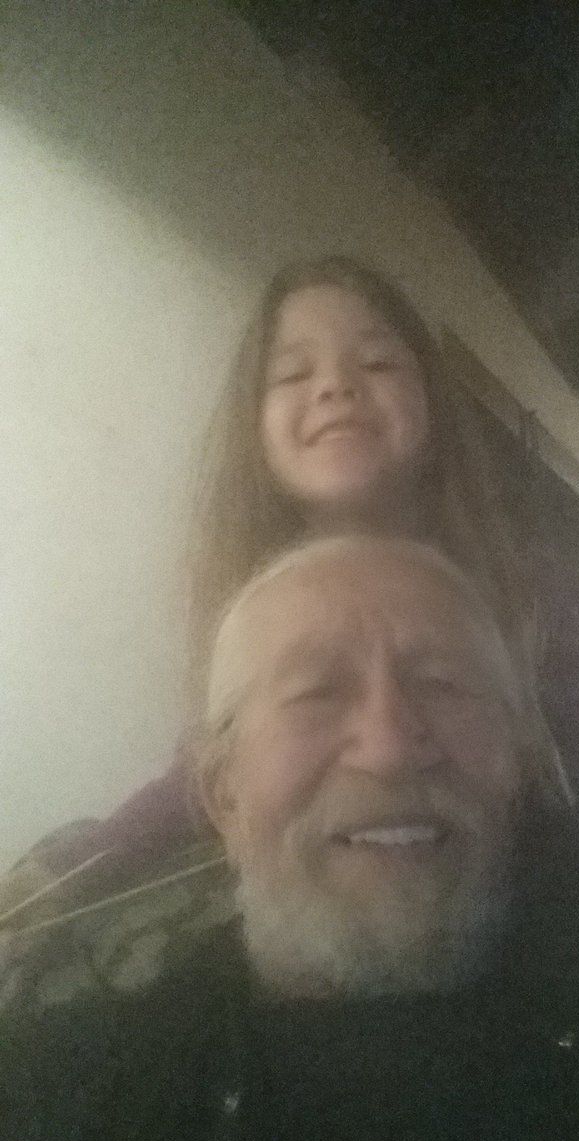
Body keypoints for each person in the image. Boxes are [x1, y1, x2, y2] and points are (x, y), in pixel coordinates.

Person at [1, 536, 579, 1141]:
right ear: (222, 793)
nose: (389, 750)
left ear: (517, 762)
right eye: (316, 692)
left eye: (442, 684)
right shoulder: (46, 1102)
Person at [0, 255, 525, 936]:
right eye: (293, 375)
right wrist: (82, 862)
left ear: (432, 400)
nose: (336, 387)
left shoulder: (518, 585)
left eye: (377, 363)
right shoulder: (244, 608)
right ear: (254, 424)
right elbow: (198, 774)